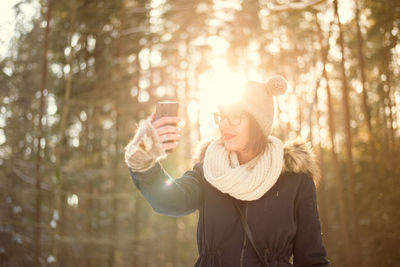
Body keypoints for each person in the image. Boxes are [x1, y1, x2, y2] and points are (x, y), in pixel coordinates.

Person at [123, 76, 330, 267]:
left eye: (235, 117)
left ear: (258, 121)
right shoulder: (209, 171)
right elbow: (169, 200)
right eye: (221, 116)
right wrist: (143, 155)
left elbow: (311, 258)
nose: (223, 124)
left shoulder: (294, 180)